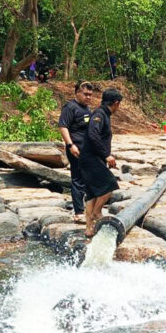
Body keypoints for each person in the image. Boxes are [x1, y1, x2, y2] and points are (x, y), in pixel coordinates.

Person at [80, 88, 122, 237]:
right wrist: (106, 155)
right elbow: (93, 134)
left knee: (91, 193)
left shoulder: (102, 114)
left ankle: (89, 229)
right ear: (116, 103)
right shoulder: (99, 114)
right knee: (110, 184)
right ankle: (97, 213)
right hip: (91, 158)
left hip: (89, 158)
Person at [58, 80, 94, 223]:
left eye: (90, 94)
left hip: (87, 150)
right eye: (85, 94)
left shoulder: (86, 109)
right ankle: (78, 212)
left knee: (88, 178)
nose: (88, 97)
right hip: (75, 149)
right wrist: (70, 145)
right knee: (78, 179)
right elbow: (63, 126)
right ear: (77, 93)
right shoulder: (70, 107)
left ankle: (88, 209)